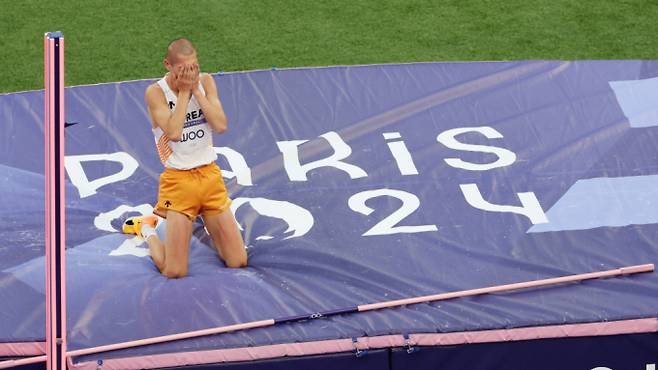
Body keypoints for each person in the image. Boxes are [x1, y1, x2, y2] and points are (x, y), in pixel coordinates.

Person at [122, 38, 248, 278]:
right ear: (168, 65)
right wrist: (184, 92)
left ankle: (208, 224)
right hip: (179, 182)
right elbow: (174, 133)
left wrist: (197, 91)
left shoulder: (206, 82)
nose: (191, 73)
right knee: (174, 271)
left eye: (194, 66)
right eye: (183, 69)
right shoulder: (156, 92)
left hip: (209, 177)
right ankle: (147, 230)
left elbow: (220, 125)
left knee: (237, 261)